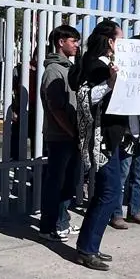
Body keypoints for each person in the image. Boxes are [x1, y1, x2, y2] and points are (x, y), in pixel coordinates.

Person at [71, 20, 127, 269]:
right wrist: (110, 82)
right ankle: (87, 249)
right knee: (109, 192)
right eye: (120, 39)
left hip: (111, 137)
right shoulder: (94, 64)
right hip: (100, 138)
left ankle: (89, 246)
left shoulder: (110, 64)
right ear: (110, 41)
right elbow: (85, 96)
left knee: (108, 192)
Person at [37, 24, 81, 240]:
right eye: (73, 41)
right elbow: (55, 108)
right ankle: (47, 227)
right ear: (61, 42)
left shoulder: (69, 68)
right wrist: (71, 131)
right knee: (56, 183)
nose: (77, 45)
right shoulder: (54, 70)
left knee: (68, 183)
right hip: (60, 136)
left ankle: (62, 222)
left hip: (71, 135)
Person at [110, 32, 140, 229]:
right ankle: (116, 213)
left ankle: (135, 210)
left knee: (138, 174)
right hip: (127, 133)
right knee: (121, 174)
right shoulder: (124, 69)